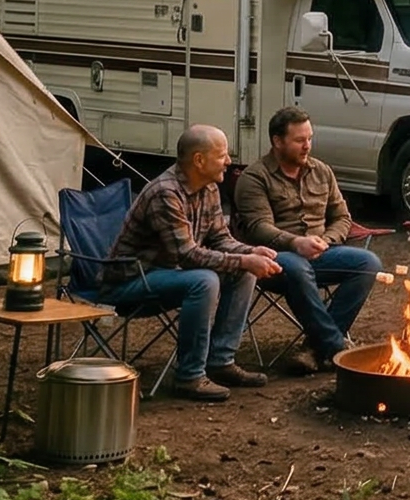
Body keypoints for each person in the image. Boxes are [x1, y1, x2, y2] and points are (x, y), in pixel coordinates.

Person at [106, 125, 281, 401]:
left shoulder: (208, 187)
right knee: (205, 280)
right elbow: (187, 255)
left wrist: (252, 252)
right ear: (199, 160)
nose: (228, 161)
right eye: (222, 155)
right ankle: (189, 376)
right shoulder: (166, 192)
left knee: (242, 272)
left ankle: (220, 362)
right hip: (129, 281)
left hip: (169, 274)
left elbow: (221, 239)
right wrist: (244, 259)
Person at [231, 106, 382, 374]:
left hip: (320, 253)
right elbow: (257, 228)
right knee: (296, 266)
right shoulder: (255, 178)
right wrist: (294, 243)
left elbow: (342, 217)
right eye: (299, 140)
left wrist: (325, 239)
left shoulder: (321, 171)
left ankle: (314, 347)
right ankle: (335, 346)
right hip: (273, 260)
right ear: (277, 142)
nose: (307, 146)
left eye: (310, 138)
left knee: (367, 263)